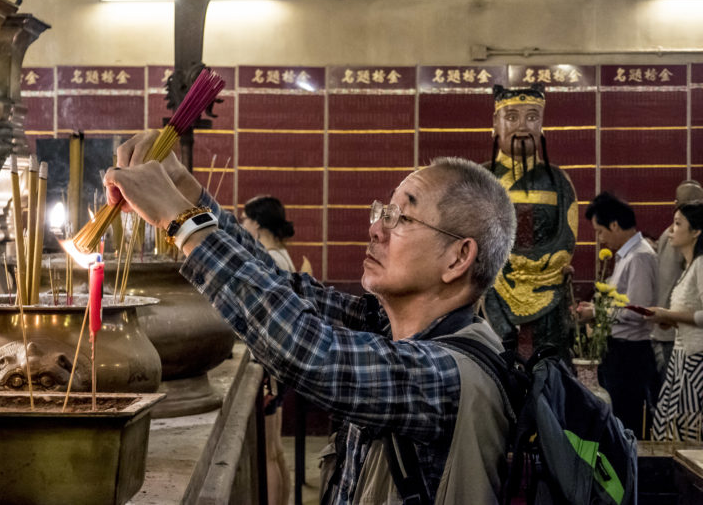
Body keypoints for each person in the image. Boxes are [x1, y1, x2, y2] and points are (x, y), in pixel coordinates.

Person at [104, 130, 517, 505]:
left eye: (402, 218)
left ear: (458, 258)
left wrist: (181, 222)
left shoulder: (446, 375)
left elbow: (309, 350)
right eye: (383, 212)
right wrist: (186, 190)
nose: (376, 229)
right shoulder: (388, 329)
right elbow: (279, 286)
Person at [482, 84, 578, 360]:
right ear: (496, 123)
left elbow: (566, 238)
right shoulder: (479, 179)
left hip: (547, 291)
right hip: (491, 292)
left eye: (532, 117)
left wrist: (534, 266)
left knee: (548, 366)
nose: (523, 126)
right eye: (512, 117)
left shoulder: (558, 180)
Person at [578, 191, 658, 437]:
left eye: (600, 231)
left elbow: (638, 309)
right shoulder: (628, 255)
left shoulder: (640, 256)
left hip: (630, 353)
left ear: (614, 225)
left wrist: (596, 312)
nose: (600, 239)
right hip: (620, 350)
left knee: (627, 421)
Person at [241, 194, 295, 505]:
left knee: (268, 452)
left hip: (270, 364)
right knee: (275, 449)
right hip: (281, 362)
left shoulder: (269, 260)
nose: (242, 225)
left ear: (258, 224)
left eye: (245, 219)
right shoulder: (281, 255)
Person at [648, 201, 703, 441]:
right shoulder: (689, 267)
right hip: (682, 360)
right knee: (674, 433)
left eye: (678, 224)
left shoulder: (701, 264)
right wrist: (669, 320)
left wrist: (668, 315)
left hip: (695, 362)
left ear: (696, 231)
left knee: (689, 437)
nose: (671, 230)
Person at [653, 180, 703, 385]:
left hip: (690, 349)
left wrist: (666, 315)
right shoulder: (674, 239)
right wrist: (665, 316)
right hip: (673, 339)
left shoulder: (697, 261)